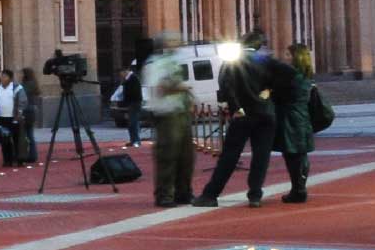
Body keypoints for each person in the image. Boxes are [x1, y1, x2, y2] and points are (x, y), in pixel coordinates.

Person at [194, 31, 289, 208]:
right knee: (261, 156)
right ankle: (255, 194)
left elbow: (225, 85)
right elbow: (288, 75)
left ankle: (210, 194)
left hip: (243, 114)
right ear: (260, 44)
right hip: (265, 113)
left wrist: (235, 107)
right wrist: (270, 91)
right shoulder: (266, 60)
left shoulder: (233, 61)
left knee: (230, 155)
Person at [142, 36, 194, 207]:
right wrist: (182, 87)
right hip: (166, 114)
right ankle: (164, 195)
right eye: (173, 41)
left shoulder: (172, 61)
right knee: (167, 156)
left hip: (180, 112)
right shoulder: (154, 64)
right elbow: (160, 88)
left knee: (186, 157)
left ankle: (183, 192)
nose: (177, 44)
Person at [278, 43, 320, 204]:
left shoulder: (292, 76)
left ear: (296, 57)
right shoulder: (307, 77)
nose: (285, 57)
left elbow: (280, 95)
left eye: (288, 55)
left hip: (291, 119)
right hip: (303, 118)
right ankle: (299, 187)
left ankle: (298, 189)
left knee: (292, 155)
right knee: (301, 155)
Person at [113, 59, 146, 147]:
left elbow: (133, 92)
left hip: (134, 103)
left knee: (133, 122)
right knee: (131, 123)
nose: (120, 75)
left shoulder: (133, 78)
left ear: (125, 71)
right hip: (131, 103)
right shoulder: (128, 79)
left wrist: (125, 99)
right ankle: (133, 140)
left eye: (121, 73)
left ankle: (136, 141)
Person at [0, 69, 22, 166]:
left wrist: (18, 115)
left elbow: (22, 102)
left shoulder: (17, 88)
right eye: (1, 76)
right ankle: (7, 160)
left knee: (17, 140)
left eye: (4, 76)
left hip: (14, 118)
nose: (1, 78)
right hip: (2, 118)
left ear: (10, 78)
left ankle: (19, 160)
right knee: (5, 141)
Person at [17, 68, 42, 162]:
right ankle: (32, 154)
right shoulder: (34, 83)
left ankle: (29, 155)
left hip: (26, 110)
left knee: (26, 134)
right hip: (32, 109)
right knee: (30, 134)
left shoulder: (25, 85)